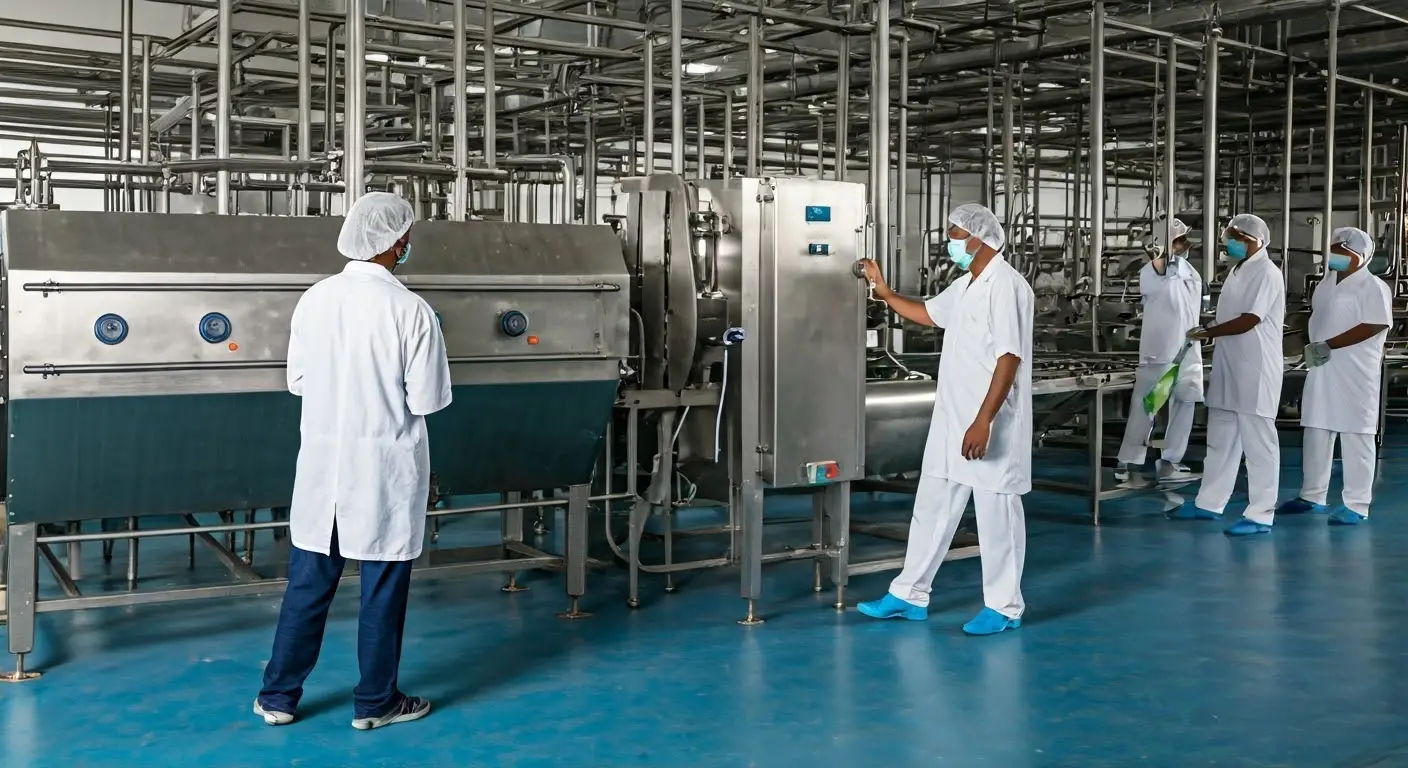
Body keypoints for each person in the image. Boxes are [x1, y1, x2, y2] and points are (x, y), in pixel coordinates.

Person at [254, 192, 452, 730]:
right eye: (406, 236)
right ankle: (375, 703)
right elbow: (427, 399)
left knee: (308, 586)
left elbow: (297, 380)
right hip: (382, 471)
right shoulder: (410, 310)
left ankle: (278, 697)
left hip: (324, 470)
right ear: (397, 242)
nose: (408, 244)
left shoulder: (315, 299)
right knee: (381, 590)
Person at [855, 203, 1034, 635]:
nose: (948, 241)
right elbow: (928, 313)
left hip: (988, 421)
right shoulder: (967, 283)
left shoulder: (1005, 286)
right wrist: (882, 289)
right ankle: (909, 594)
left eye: (955, 233)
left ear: (979, 238)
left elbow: (1009, 358)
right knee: (932, 505)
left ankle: (1005, 606)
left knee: (996, 512)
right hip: (953, 415)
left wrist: (984, 420)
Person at [1173, 213, 1285, 536]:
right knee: (1220, 439)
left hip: (1255, 367)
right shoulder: (1237, 271)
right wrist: (1210, 326)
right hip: (1229, 363)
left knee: (1259, 444)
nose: (1231, 243)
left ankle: (1261, 514)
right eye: (1229, 238)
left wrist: (1210, 333)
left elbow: (1250, 319)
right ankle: (1209, 503)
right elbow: (1231, 315)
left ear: (1256, 240)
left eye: (1237, 238)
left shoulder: (1267, 273)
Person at [1276, 227, 1391, 526]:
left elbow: (1375, 325)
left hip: (1355, 370)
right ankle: (1312, 495)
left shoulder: (1373, 287)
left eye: (1343, 252)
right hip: (1322, 367)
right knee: (1316, 428)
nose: (1336, 256)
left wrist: (1329, 344)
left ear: (1361, 256)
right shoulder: (1326, 284)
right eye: (1334, 250)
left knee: (1356, 434)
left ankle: (1357, 504)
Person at [1116, 218, 1204, 483]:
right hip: (1162, 353)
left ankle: (1170, 461)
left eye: (1184, 240)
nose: (1185, 245)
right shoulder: (1151, 272)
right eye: (1178, 240)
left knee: (1185, 403)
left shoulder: (1190, 271)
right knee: (1148, 407)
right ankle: (1128, 462)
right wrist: (1160, 253)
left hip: (1188, 351)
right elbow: (1160, 273)